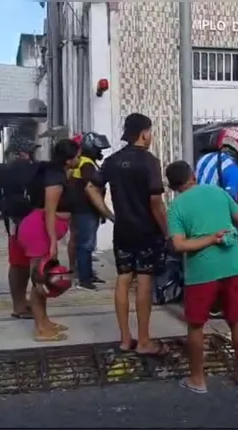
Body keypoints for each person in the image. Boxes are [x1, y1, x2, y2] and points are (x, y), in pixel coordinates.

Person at [165, 160, 238, 394]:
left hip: (201, 272)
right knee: (236, 320)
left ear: (173, 186)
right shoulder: (218, 192)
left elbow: (179, 245)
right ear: (193, 176)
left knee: (195, 325)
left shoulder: (176, 208)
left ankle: (198, 379)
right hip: (232, 267)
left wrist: (209, 240)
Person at [90, 113, 170, 356]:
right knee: (144, 279)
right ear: (144, 133)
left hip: (123, 230)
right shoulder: (149, 162)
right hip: (146, 231)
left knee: (123, 278)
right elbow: (156, 201)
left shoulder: (112, 161)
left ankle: (125, 339)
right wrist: (167, 232)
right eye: (150, 132)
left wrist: (110, 214)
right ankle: (144, 340)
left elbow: (91, 188)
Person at [0, 137, 80, 342]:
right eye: (77, 155)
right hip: (37, 230)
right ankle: (41, 328)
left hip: (26, 225)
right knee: (40, 280)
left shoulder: (51, 173)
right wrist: (52, 243)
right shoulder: (53, 177)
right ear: (68, 159)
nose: (79, 158)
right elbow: (50, 212)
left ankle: (41, 319)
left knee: (33, 274)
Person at [195, 125, 238, 319]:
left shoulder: (203, 159)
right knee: (229, 261)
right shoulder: (234, 170)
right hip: (216, 221)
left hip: (197, 219)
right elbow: (229, 203)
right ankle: (218, 304)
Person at [69, 132, 114, 291]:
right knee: (86, 245)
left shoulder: (84, 162)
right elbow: (91, 189)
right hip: (85, 210)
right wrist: (106, 213)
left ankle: (87, 274)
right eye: (98, 149)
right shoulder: (87, 164)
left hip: (84, 210)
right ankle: (84, 279)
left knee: (87, 244)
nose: (101, 153)